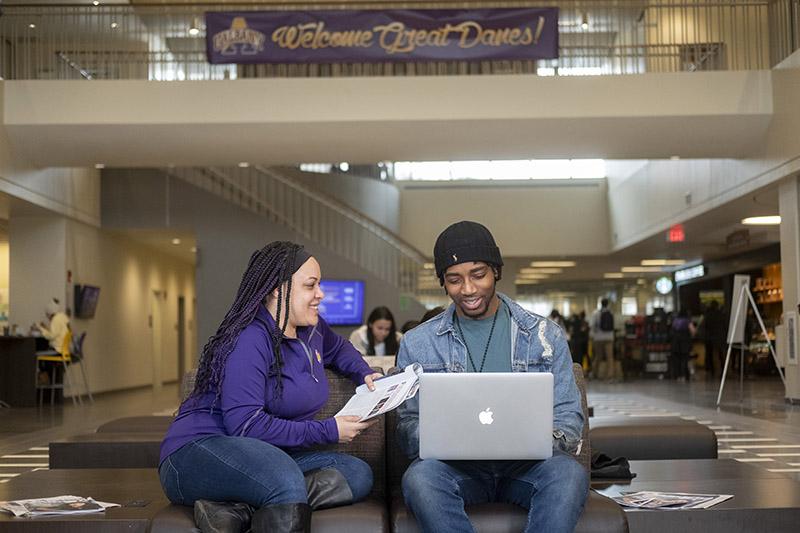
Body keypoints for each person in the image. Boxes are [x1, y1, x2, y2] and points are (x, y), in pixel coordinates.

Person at [158, 242, 383, 533]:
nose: (320, 294)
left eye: (319, 285)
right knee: (285, 480)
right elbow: (246, 426)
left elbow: (339, 349)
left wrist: (363, 373)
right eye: (310, 285)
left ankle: (239, 509)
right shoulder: (249, 339)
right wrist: (328, 430)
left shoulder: (312, 328)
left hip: (268, 454)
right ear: (278, 289)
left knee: (356, 473)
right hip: (198, 452)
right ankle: (273, 493)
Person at [396, 221, 588, 533]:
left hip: (528, 468)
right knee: (419, 479)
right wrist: (442, 439)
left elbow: (568, 416)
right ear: (443, 283)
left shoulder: (544, 336)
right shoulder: (417, 343)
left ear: (496, 271)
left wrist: (535, 440)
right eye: (454, 279)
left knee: (569, 475)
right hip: (457, 470)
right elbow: (407, 426)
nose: (468, 289)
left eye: (478, 275)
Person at [590, 298, 617, 381]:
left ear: (600, 304)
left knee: (598, 356)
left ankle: (595, 374)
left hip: (598, 338)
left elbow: (592, 325)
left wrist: (595, 333)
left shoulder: (596, 313)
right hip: (609, 337)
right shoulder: (611, 313)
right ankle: (610, 376)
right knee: (610, 357)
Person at [670, 308, 696, 382]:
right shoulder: (688, 321)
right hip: (685, 341)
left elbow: (672, 329)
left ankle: (678, 375)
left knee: (677, 359)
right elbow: (693, 331)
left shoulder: (675, 320)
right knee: (685, 359)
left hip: (675, 341)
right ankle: (684, 375)